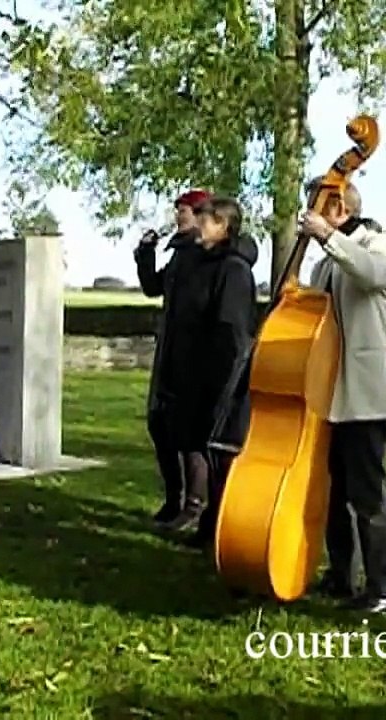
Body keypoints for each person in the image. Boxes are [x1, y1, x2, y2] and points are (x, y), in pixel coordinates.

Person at [300, 177, 386, 615]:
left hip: (363, 390)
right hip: (327, 389)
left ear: (338, 208)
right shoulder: (326, 259)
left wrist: (327, 238)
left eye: (317, 207)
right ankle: (341, 575)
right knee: (333, 490)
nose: (310, 215)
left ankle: (385, 587)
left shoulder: (380, 243)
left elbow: (374, 274)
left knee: (369, 491)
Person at [147, 195, 259, 537]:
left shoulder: (233, 271)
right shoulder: (200, 262)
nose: (199, 225)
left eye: (205, 219)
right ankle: (205, 525)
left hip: (214, 380)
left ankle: (212, 524)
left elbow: (233, 334)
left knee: (212, 454)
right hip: (189, 371)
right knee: (186, 438)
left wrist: (223, 387)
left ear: (223, 227)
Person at [135, 188, 210, 526]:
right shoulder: (179, 254)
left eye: (185, 210)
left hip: (192, 358)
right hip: (169, 353)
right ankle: (172, 499)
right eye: (178, 209)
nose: (179, 215)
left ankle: (194, 505)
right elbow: (154, 286)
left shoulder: (206, 255)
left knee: (190, 433)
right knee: (159, 425)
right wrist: (145, 254)